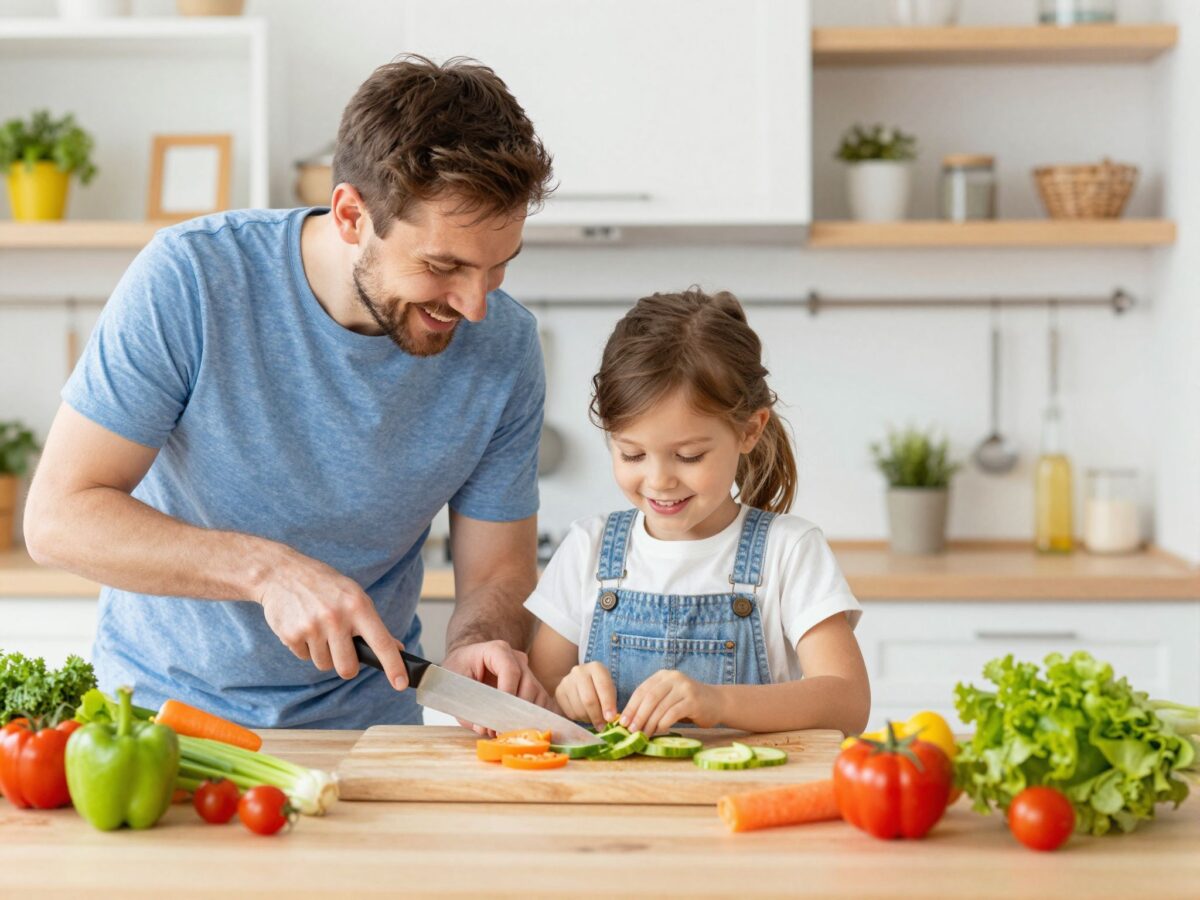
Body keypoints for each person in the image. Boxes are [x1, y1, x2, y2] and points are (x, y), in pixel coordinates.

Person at [24, 55, 557, 729]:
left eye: (498, 267)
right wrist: (265, 571)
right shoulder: (191, 279)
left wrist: (482, 639)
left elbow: (497, 574)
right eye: (443, 266)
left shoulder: (505, 347)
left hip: (368, 734)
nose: (475, 305)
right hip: (163, 727)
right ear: (350, 215)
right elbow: (56, 520)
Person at [525, 289, 870, 737]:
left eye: (688, 456)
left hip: (746, 799)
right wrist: (569, 691)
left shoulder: (789, 550)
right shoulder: (587, 548)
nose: (659, 480)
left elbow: (848, 702)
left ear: (749, 431)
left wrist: (717, 700)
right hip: (612, 803)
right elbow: (540, 689)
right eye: (632, 454)